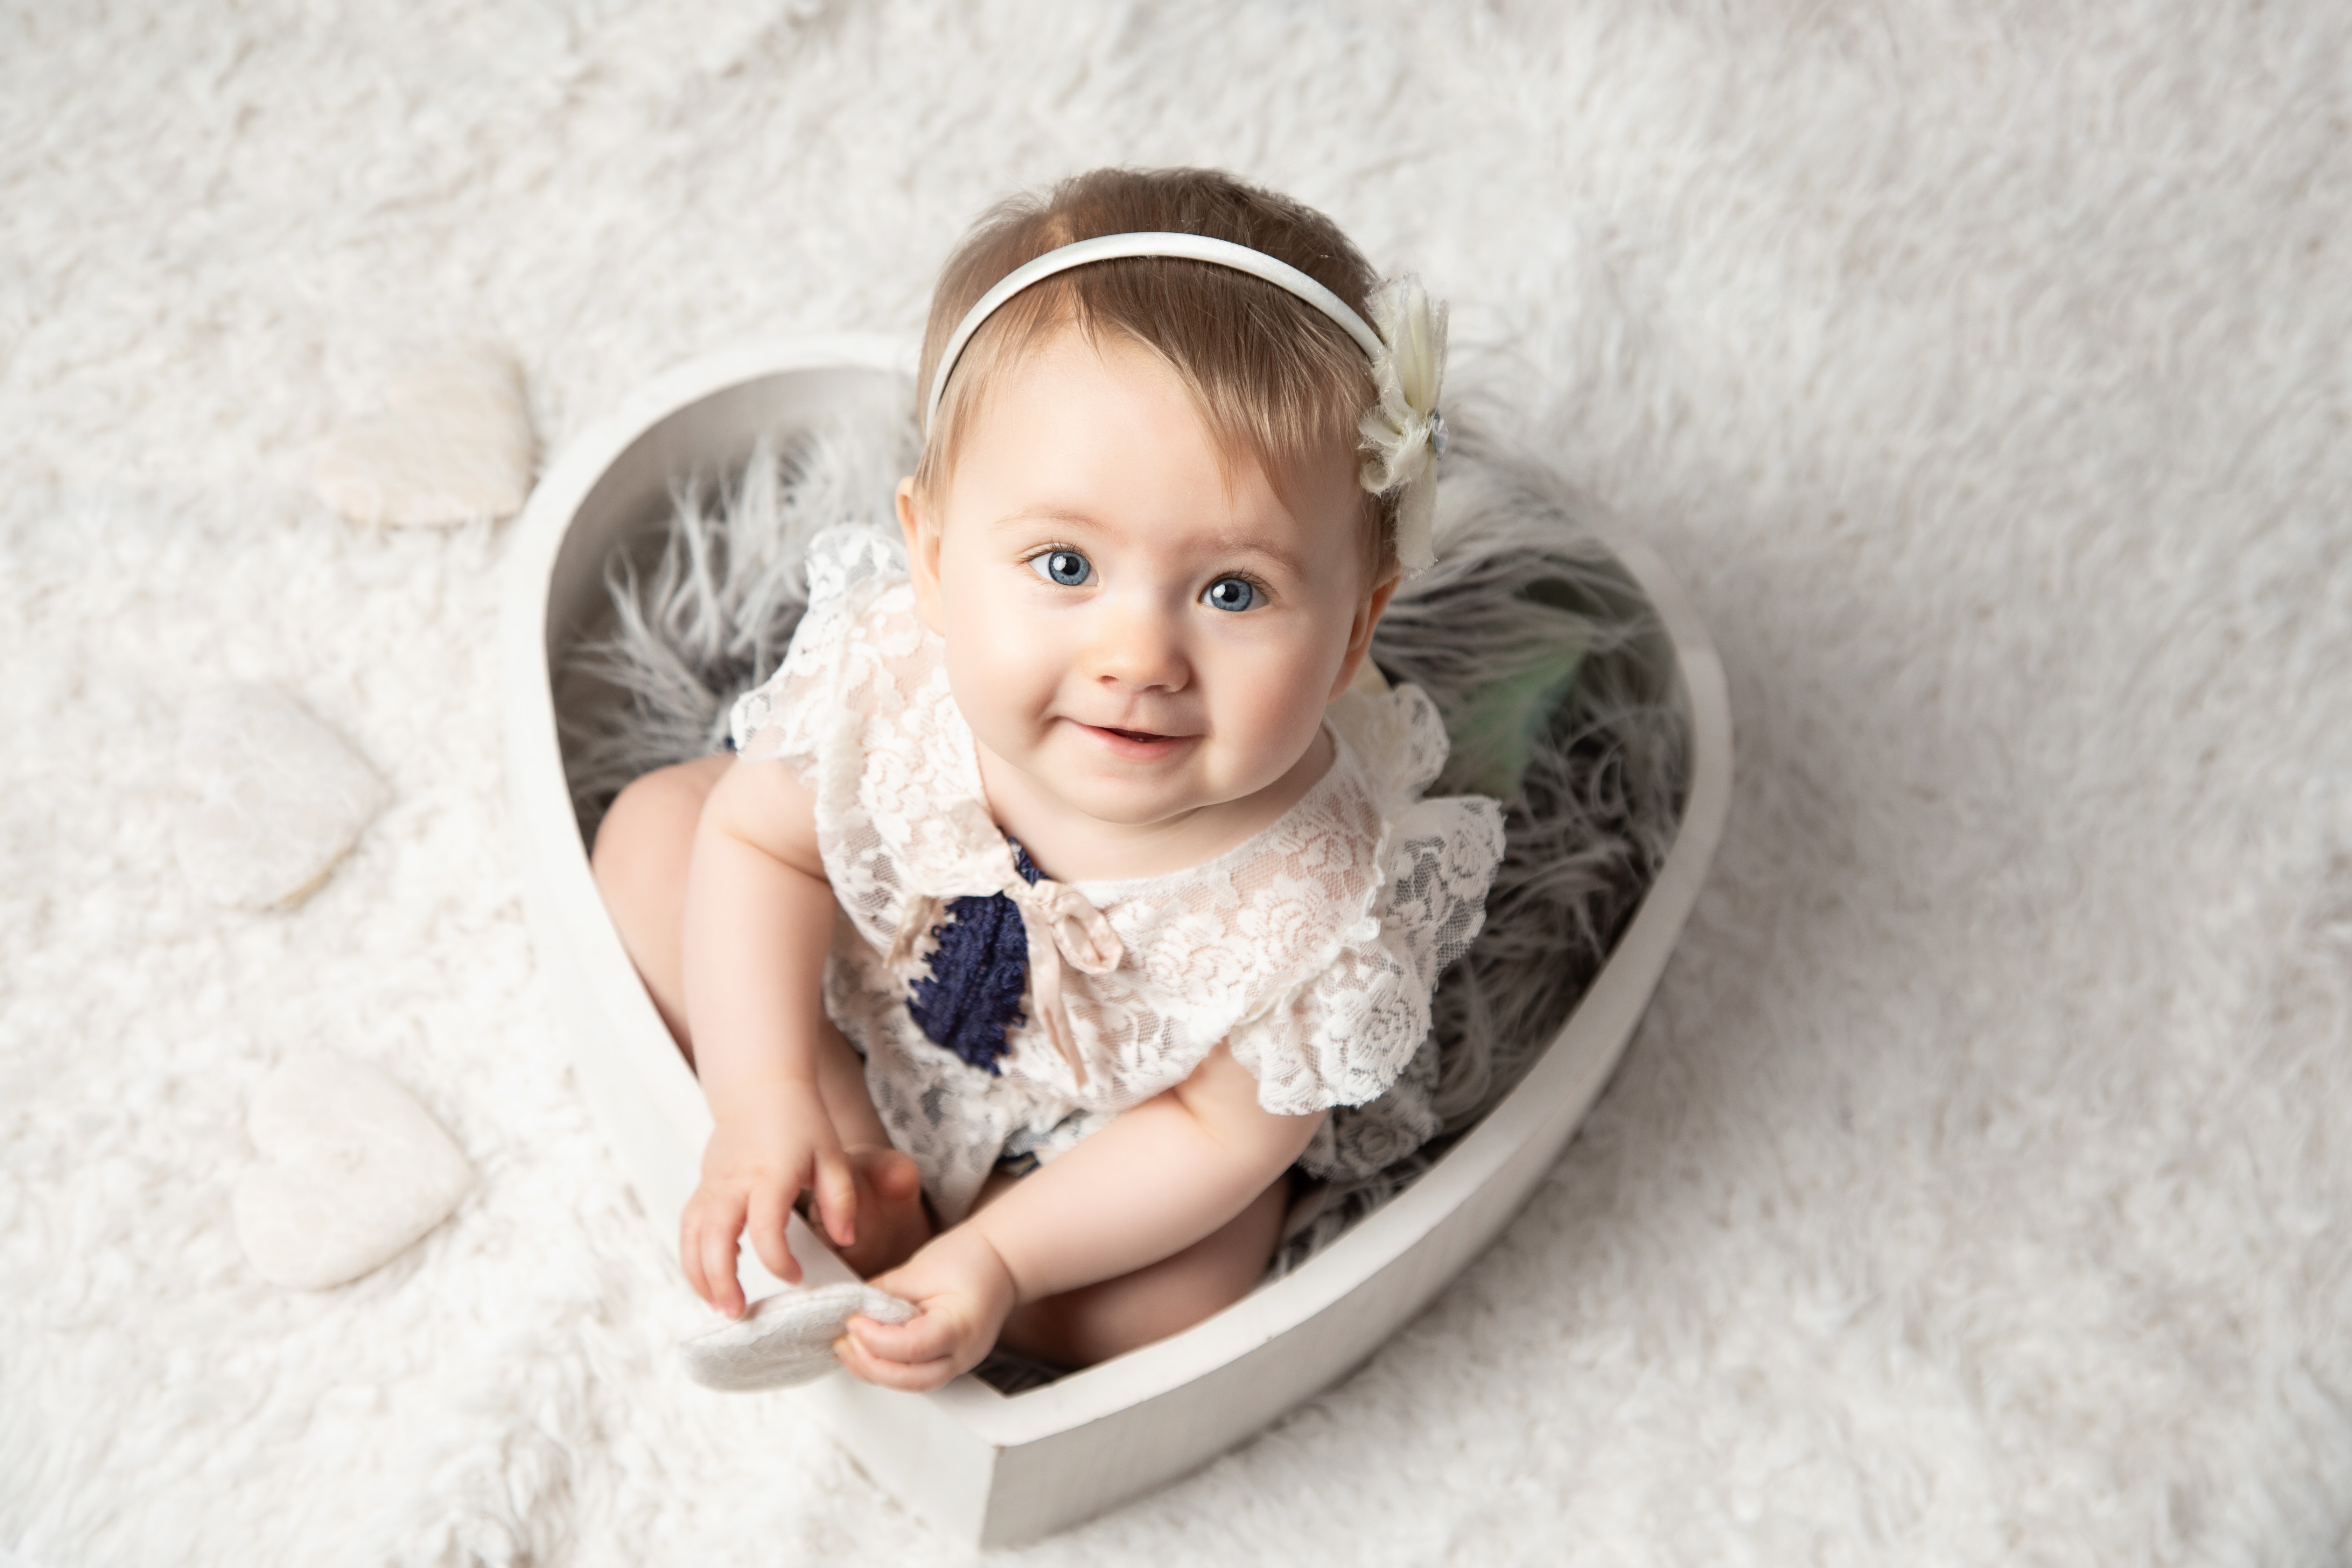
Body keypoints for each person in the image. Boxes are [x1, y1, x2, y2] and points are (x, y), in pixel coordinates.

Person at [590, 166, 1505, 1391]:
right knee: (661, 833)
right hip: (861, 995)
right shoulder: (897, 679)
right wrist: (760, 1095)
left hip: (1095, 1140)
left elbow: (1216, 1134)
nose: (1137, 659)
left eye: (1233, 591)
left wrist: (1009, 1264)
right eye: (1065, 564)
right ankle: (846, 1155)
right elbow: (766, 848)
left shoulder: (1317, 893)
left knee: (1186, 1288)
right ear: (931, 556)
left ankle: (950, 1257)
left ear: (1352, 636)